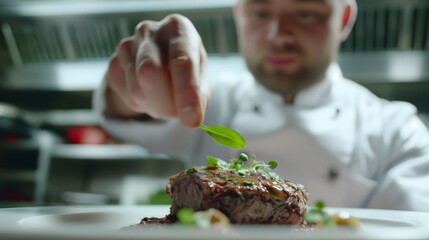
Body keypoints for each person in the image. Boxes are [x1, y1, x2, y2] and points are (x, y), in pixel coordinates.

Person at [93, 0, 429, 211]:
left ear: (343, 19)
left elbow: (411, 227)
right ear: (239, 14)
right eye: (261, 11)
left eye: (307, 11)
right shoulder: (211, 99)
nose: (278, 34)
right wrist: (133, 81)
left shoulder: (397, 130)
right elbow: (125, 111)